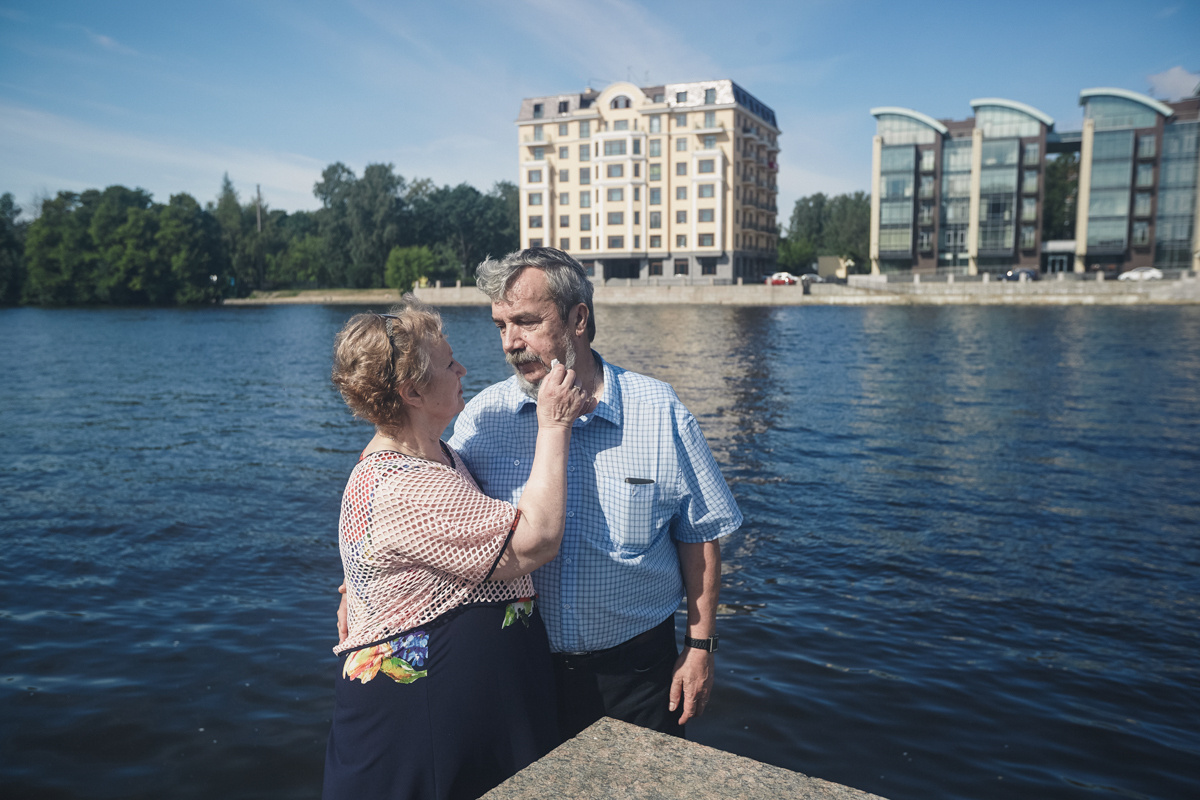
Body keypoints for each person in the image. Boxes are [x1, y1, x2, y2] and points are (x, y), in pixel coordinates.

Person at [450, 247, 742, 739]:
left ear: (578, 317)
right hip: (519, 667)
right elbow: (424, 502)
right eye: (501, 325)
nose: (510, 343)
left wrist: (700, 647)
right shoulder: (485, 418)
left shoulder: (659, 411)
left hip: (637, 674)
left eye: (526, 322)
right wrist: (360, 585)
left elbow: (701, 536)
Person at [324, 296, 595, 800]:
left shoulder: (432, 454)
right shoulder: (407, 485)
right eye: (450, 363)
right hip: (421, 729)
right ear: (412, 392)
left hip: (455, 721)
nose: (463, 368)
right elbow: (534, 541)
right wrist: (554, 425)